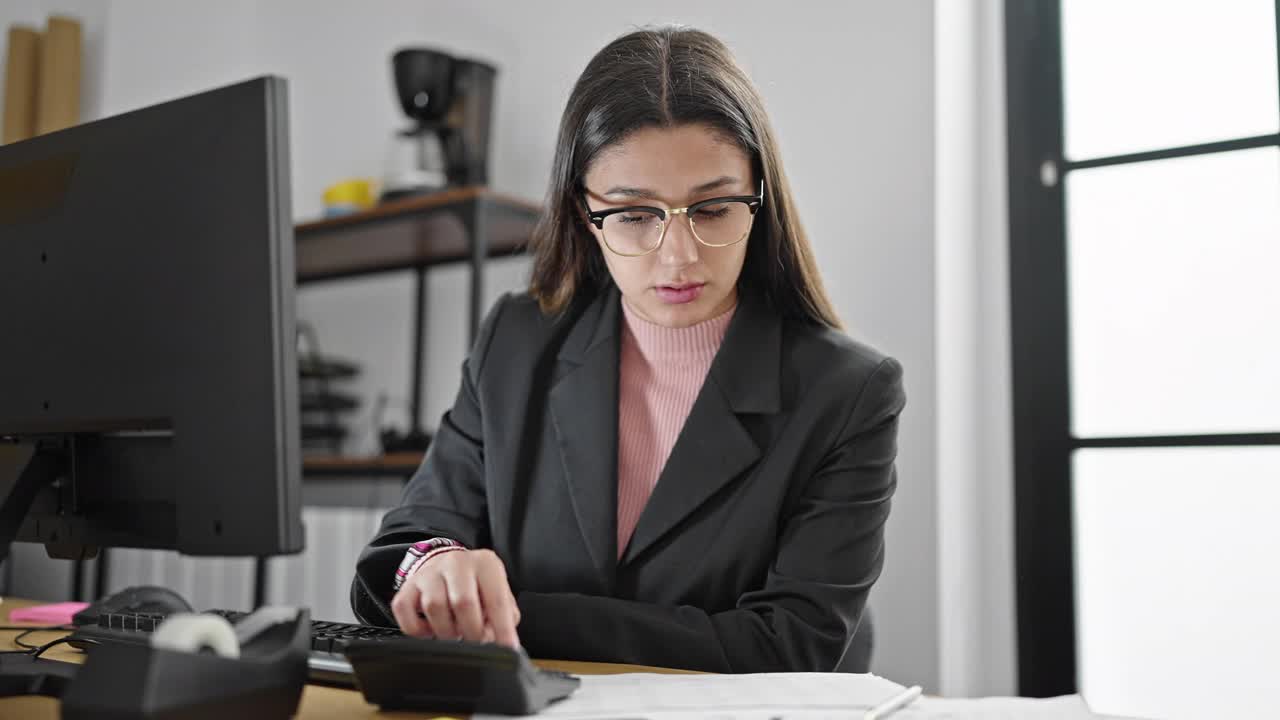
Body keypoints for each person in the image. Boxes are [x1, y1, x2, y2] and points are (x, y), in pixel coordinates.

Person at [352, 25, 905, 674]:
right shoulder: (517, 342)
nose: (678, 255)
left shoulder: (849, 393)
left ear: (760, 201)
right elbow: (395, 556)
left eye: (714, 208)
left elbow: (790, 644)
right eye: (634, 214)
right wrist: (436, 565)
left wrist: (514, 613)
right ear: (584, 215)